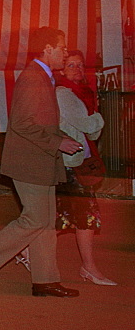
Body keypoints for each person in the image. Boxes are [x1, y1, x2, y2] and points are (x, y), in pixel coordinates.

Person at [0, 27, 83, 297]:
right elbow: (21, 124)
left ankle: (45, 280)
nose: (65, 53)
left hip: (39, 160)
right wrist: (58, 143)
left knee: (45, 222)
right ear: (47, 49)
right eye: (62, 48)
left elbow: (41, 121)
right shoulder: (33, 77)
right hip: (29, 162)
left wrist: (63, 138)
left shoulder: (43, 76)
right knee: (34, 220)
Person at [55, 50, 115, 286]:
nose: (77, 69)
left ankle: (26, 250)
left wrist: (92, 121)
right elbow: (89, 126)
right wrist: (99, 117)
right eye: (71, 65)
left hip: (77, 163)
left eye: (80, 65)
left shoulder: (80, 93)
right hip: (71, 165)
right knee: (84, 217)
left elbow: (89, 128)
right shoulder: (65, 94)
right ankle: (89, 268)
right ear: (62, 70)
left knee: (65, 217)